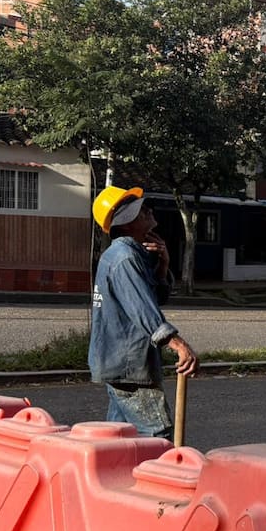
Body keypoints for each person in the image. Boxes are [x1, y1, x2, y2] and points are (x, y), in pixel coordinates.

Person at [89, 186, 198, 439]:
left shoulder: (129, 254)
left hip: (121, 364)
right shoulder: (125, 258)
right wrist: (178, 345)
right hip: (129, 365)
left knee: (119, 439)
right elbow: (143, 310)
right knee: (158, 437)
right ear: (126, 223)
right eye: (141, 210)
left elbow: (155, 297)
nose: (148, 211)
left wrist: (163, 264)